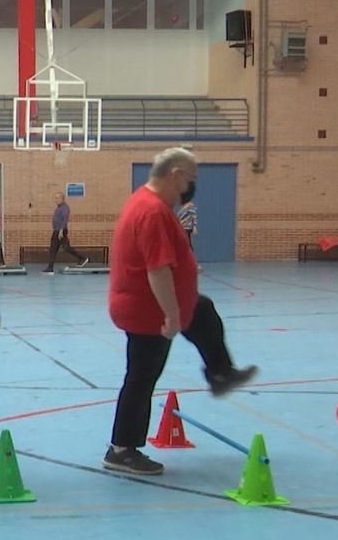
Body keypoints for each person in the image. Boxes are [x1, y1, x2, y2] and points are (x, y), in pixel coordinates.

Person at [104, 147, 257, 476]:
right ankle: (121, 449)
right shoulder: (152, 211)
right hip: (148, 311)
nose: (192, 185)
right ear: (175, 176)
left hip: (153, 304)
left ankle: (220, 372)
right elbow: (157, 270)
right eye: (191, 179)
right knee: (142, 377)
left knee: (202, 309)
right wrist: (172, 315)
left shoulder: (148, 203)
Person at [42, 191, 90, 273]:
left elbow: (65, 219)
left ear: (62, 199)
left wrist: (61, 230)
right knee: (53, 249)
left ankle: (82, 258)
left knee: (66, 248)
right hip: (57, 231)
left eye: (57, 198)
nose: (55, 199)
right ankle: (50, 268)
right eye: (55, 198)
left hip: (60, 231)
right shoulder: (59, 207)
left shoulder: (64, 207)